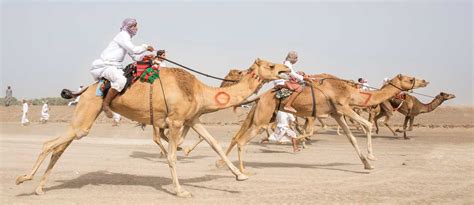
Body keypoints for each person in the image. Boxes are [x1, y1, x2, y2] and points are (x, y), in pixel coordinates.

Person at [90, 18, 154, 118]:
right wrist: (145, 47)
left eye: (136, 26)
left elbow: (134, 56)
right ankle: (106, 105)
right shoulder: (123, 35)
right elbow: (134, 49)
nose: (136, 28)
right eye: (134, 26)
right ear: (128, 27)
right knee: (121, 81)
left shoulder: (127, 38)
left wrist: (145, 57)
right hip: (107, 65)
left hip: (116, 66)